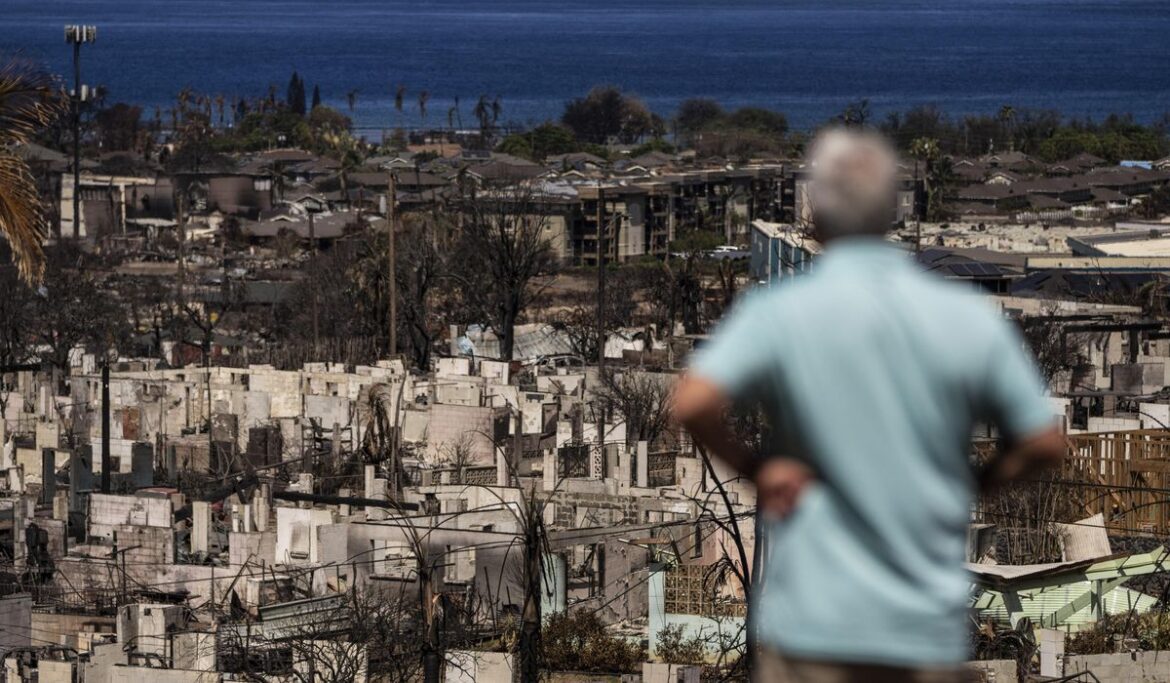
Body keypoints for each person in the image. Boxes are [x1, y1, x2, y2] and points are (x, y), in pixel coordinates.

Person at [671, 128, 1066, 683]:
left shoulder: (781, 310)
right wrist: (975, 485)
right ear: (890, 213)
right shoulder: (963, 316)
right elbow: (1044, 441)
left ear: (818, 214)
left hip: (810, 625)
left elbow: (693, 399)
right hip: (921, 629)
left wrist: (761, 471)